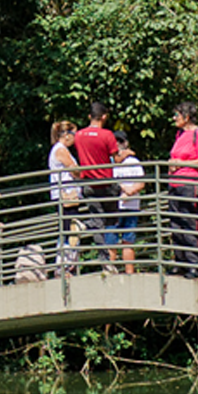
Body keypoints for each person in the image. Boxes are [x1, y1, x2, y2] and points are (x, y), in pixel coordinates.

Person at [71, 100, 123, 271]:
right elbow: (116, 159)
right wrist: (127, 153)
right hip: (106, 183)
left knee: (98, 221)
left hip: (89, 183)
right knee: (112, 219)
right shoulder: (107, 135)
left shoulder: (78, 135)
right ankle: (87, 225)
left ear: (89, 116)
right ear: (104, 116)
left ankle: (104, 259)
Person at [168, 100, 198, 277]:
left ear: (186, 117)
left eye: (176, 115)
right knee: (175, 223)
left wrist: (182, 163)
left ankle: (194, 263)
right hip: (174, 183)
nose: (174, 118)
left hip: (189, 182)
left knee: (189, 222)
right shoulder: (179, 134)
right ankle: (180, 261)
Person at [48, 120, 82, 277]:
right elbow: (75, 171)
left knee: (71, 229)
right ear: (66, 135)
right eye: (74, 134)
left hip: (68, 195)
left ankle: (67, 265)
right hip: (65, 196)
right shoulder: (61, 150)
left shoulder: (60, 150)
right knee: (69, 230)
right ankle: (63, 267)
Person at [114, 137, 145, 275]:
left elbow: (141, 183)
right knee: (115, 240)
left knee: (126, 240)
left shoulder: (133, 162)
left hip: (129, 205)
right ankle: (114, 272)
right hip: (120, 205)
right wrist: (128, 190)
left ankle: (127, 273)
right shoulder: (112, 162)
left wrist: (129, 191)